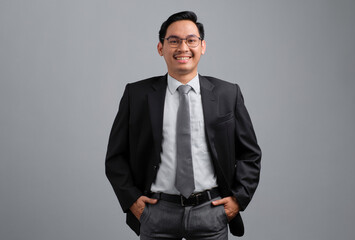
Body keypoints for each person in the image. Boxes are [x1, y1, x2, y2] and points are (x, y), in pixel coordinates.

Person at [105, 11, 261, 239]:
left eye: (191, 40)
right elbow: (115, 156)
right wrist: (132, 201)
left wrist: (238, 199)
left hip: (211, 211)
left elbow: (250, 154)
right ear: (161, 48)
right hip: (157, 213)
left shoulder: (228, 94)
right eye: (174, 41)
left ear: (203, 46)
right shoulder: (137, 95)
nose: (183, 48)